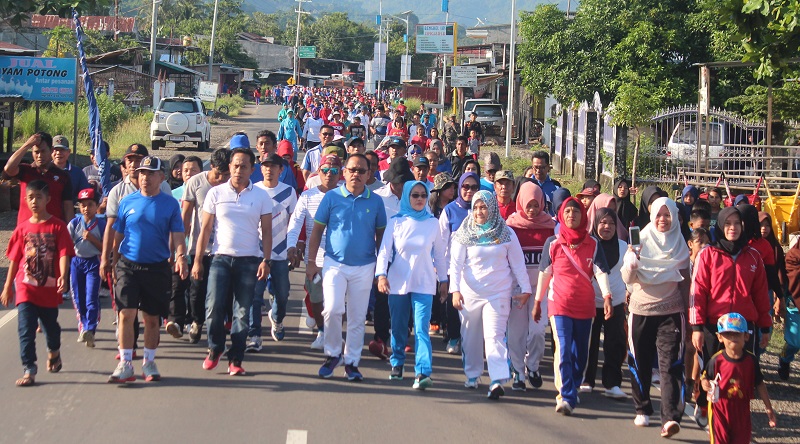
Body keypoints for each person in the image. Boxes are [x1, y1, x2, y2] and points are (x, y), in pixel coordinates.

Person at [306, 154, 387, 381]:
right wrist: (311, 263)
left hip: (364, 266)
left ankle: (351, 362)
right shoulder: (332, 198)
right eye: (352, 170)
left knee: (357, 317)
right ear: (344, 172)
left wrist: (381, 270)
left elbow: (381, 238)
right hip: (334, 264)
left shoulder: (376, 201)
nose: (356, 174)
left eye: (362, 171)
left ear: (369, 175)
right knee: (331, 310)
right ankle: (333, 354)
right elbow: (317, 231)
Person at [107, 156, 188, 383]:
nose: (145, 178)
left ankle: (149, 362)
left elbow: (178, 234)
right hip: (128, 266)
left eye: (151, 173)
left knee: (152, 319)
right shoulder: (127, 202)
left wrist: (180, 256)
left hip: (157, 268)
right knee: (126, 314)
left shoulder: (170, 203)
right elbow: (118, 235)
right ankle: (125, 363)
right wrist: (113, 263)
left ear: (161, 177)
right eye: (142, 173)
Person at [193, 148, 273, 376]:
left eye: (244, 166)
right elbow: (205, 229)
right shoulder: (216, 194)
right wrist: (198, 260)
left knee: (241, 312)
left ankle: (236, 359)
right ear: (229, 167)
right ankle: (215, 348)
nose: (238, 170)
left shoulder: (260, 197)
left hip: (249, 260)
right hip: (220, 258)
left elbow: (266, 232)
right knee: (213, 307)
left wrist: (266, 260)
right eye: (235, 166)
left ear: (252, 170)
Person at [691, 206, 772, 423]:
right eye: (728, 224)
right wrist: (697, 327)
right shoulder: (708, 254)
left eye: (737, 224)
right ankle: (704, 407)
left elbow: (761, 296)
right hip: (713, 327)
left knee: (739, 376)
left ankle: (734, 416)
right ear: (720, 226)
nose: (732, 228)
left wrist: (765, 327)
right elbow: (697, 292)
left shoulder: (753, 256)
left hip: (743, 329)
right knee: (711, 371)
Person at [533, 197, 612, 416]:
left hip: (585, 307)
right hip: (559, 305)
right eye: (567, 211)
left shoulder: (593, 244)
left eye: (576, 212)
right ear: (561, 215)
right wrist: (538, 301)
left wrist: (606, 296)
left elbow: (601, 271)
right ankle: (565, 395)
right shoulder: (553, 243)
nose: (571, 215)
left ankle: (573, 384)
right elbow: (544, 274)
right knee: (564, 348)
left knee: (581, 354)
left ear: (583, 216)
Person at [450, 191, 531, 399]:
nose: (479, 212)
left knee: (494, 336)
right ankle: (473, 374)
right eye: (476, 207)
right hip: (470, 295)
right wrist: (455, 290)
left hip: (498, 293)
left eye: (483, 207)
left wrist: (525, 289)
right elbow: (456, 264)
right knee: (470, 337)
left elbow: (518, 263)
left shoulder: (506, 233)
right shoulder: (464, 232)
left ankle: (497, 379)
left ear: (492, 208)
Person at [621, 197, 690, 436]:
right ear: (652, 216)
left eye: (667, 215)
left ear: (675, 217)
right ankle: (642, 407)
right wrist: (631, 263)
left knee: (670, 365)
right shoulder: (640, 240)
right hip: (640, 310)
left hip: (671, 313)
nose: (663, 220)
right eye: (659, 215)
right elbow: (627, 280)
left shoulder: (680, 244)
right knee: (640, 361)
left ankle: (670, 417)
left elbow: (685, 283)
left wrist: (690, 317)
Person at [376, 180, 448, 389]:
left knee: (422, 330)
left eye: (423, 196)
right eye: (415, 195)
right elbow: (384, 251)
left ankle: (423, 372)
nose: (419, 199)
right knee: (398, 327)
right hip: (398, 283)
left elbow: (440, 256)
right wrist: (381, 275)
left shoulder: (433, 223)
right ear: (407, 196)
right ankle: (397, 363)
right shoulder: (396, 222)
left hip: (424, 283)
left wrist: (443, 281)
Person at [1, 180, 73, 386]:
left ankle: (54, 351)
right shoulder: (22, 229)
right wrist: (7, 287)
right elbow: (14, 259)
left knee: (51, 328)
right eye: (30, 197)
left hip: (49, 288)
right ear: (25, 200)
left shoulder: (57, 226)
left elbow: (63, 253)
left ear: (48, 199)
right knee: (25, 329)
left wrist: (63, 275)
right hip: (26, 288)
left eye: (38, 197)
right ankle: (29, 369)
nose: (34, 201)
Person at [287, 155, 343, 349]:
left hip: (341, 260)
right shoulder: (307, 196)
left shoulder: (347, 196)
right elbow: (295, 223)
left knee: (336, 303)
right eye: (325, 170)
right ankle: (322, 331)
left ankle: (333, 334)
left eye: (334, 171)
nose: (329, 175)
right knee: (317, 298)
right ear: (319, 172)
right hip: (315, 259)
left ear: (340, 174)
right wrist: (292, 245)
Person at [505, 182, 555, 391]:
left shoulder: (550, 226)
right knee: (516, 333)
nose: (533, 210)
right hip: (517, 289)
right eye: (529, 205)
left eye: (537, 205)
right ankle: (518, 371)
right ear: (521, 203)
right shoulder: (511, 226)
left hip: (540, 290)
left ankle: (532, 366)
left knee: (536, 332)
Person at [700, 313, 777, 443]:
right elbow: (705, 377)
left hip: (742, 412)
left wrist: (768, 408)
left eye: (737, 334)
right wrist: (705, 383)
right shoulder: (716, 360)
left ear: (746, 336)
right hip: (720, 411)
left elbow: (759, 384)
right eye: (728, 334)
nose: (733, 338)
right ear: (720, 337)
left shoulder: (751, 360)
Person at [180, 149, 231, 344]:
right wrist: (181, 250)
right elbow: (185, 217)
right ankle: (196, 321)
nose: (221, 179)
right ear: (211, 167)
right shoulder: (196, 182)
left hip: (223, 249)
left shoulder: (232, 185)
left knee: (220, 292)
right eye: (218, 174)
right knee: (197, 289)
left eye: (226, 175)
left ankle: (219, 325)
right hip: (198, 247)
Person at [247, 153, 297, 351]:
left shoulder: (289, 192)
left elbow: (294, 221)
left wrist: (294, 246)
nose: (268, 169)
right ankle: (255, 335)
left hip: (281, 252)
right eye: (265, 165)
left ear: (280, 170)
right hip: (256, 252)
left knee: (283, 294)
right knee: (254, 296)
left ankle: (276, 318)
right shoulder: (253, 190)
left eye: (272, 166)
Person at [583, 207, 628, 399]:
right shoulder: (589, 244)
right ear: (595, 223)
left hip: (616, 301)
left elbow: (630, 273)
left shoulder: (624, 246)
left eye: (611, 223)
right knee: (590, 343)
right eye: (603, 222)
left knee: (615, 343)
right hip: (591, 301)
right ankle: (587, 380)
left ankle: (612, 383)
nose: (607, 227)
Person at [438, 172, 480, 354]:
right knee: (454, 307)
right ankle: (454, 337)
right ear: (459, 188)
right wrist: (442, 276)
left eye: (474, 187)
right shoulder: (450, 210)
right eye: (465, 187)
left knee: (474, 309)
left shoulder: (483, 209)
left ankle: (473, 341)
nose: (469, 191)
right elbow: (440, 245)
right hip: (453, 268)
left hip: (477, 269)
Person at [4, 132, 74, 224]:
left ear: (51, 150)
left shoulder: (63, 176)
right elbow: (8, 168)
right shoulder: (25, 171)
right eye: (36, 152)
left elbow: (68, 207)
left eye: (43, 151)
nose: (40, 156)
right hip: (26, 231)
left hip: (53, 232)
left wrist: (71, 232)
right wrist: (27, 145)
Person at [67, 188, 105, 348]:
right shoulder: (74, 223)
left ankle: (90, 328)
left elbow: (106, 247)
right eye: (82, 205)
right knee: (78, 298)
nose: (86, 208)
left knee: (91, 298)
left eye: (90, 204)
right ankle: (83, 325)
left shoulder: (101, 224)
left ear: (97, 206)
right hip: (76, 263)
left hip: (93, 263)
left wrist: (92, 239)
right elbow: (65, 246)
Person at [51, 135, 91, 201]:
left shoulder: (77, 172)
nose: (58, 153)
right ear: (50, 151)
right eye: (55, 150)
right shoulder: (45, 170)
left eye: (62, 150)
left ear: (68, 152)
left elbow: (84, 194)